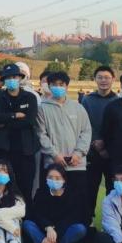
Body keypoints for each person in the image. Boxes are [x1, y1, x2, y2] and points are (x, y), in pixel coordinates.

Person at [35, 70, 91, 222]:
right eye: (54, 84)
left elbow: (86, 132)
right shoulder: (42, 108)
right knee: (53, 202)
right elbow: (41, 134)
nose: (58, 87)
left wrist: (78, 153)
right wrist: (54, 154)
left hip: (76, 164)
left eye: (61, 84)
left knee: (78, 202)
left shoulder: (78, 108)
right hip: (53, 165)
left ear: (67, 86)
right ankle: (52, 230)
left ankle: (79, 232)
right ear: (49, 86)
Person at [0, 64, 39, 200]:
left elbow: (29, 120)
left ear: (20, 78)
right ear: (4, 80)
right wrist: (14, 115)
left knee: (25, 187)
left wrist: (5, 122)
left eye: (14, 77)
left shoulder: (30, 97)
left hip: (25, 151)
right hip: (3, 149)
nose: (12, 80)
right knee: (2, 186)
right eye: (8, 78)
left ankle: (26, 213)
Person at [24, 164, 86, 243]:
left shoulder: (72, 194)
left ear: (64, 180)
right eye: (50, 177)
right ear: (46, 178)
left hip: (62, 232)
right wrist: (48, 227)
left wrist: (56, 231)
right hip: (45, 231)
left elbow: (72, 217)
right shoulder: (41, 192)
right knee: (27, 224)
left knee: (80, 229)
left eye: (57, 178)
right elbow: (37, 214)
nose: (54, 180)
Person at [80, 65, 118, 224]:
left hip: (112, 154)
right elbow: (85, 125)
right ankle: (87, 220)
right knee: (89, 189)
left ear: (113, 79)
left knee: (113, 189)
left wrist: (106, 146)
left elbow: (118, 128)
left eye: (107, 77)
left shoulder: (118, 101)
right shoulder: (87, 100)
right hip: (92, 152)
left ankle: (112, 221)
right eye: (100, 77)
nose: (103, 80)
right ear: (95, 79)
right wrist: (96, 144)